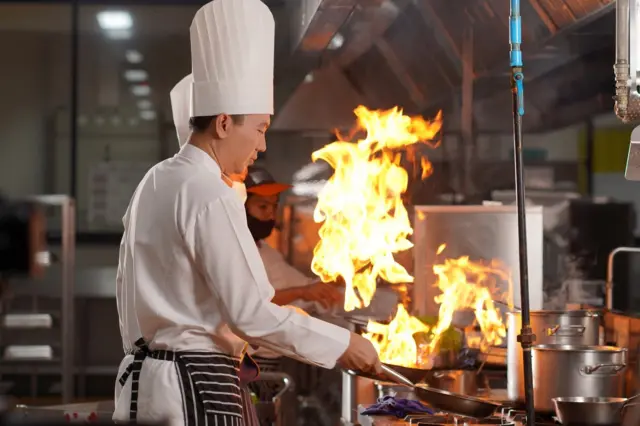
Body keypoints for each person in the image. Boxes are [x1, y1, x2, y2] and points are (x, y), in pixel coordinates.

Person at [113, 1, 382, 426]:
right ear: (223, 123)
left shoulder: (158, 179)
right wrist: (342, 343)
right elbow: (250, 314)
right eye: (259, 129)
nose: (262, 145)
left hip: (146, 382)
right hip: (194, 385)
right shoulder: (208, 193)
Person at [242, 166, 343, 311]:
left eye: (274, 206)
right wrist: (301, 292)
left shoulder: (265, 249)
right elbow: (249, 304)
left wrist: (343, 277)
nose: (271, 215)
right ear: (240, 206)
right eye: (263, 206)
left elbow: (307, 285)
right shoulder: (234, 253)